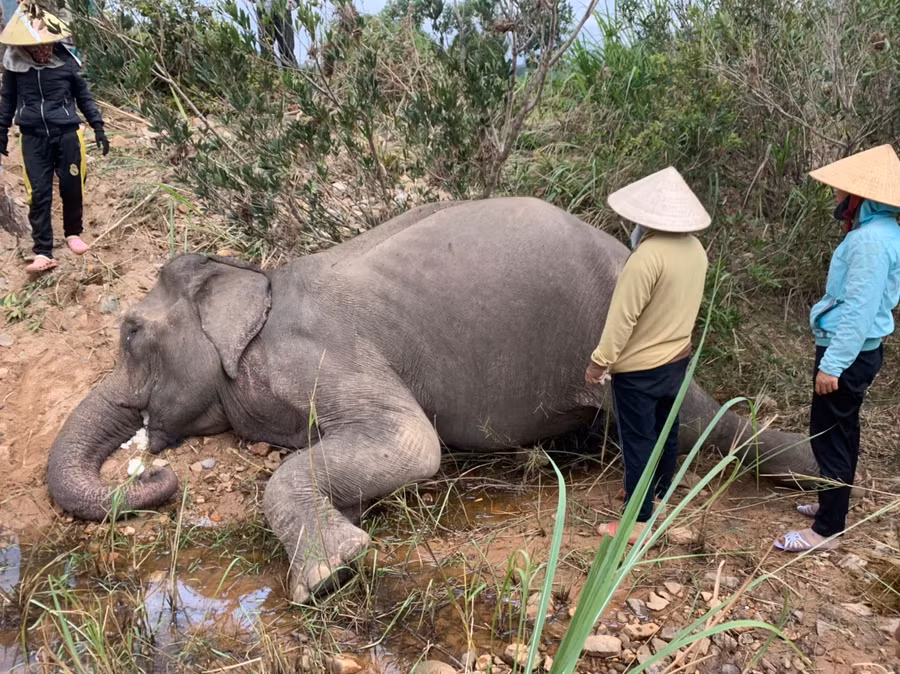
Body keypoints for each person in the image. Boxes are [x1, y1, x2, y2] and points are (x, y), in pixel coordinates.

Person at [775, 144, 900, 553]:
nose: (836, 196)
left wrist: (832, 365)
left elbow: (858, 310)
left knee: (829, 436)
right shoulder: (883, 232)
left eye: (841, 190)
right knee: (841, 433)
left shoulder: (869, 241)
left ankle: (826, 531)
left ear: (860, 197)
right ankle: (831, 506)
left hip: (849, 353)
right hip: (858, 350)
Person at [585, 166, 710, 543]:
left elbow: (621, 319)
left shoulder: (646, 258)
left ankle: (637, 520)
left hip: (639, 370)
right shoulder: (696, 250)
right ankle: (657, 494)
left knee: (638, 439)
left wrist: (599, 362)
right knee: (666, 432)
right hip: (677, 359)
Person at [0, 2, 109, 273]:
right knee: (38, 194)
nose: (43, 51)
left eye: (47, 45)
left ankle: (73, 233)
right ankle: (43, 250)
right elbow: (7, 102)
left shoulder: (66, 65)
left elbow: (84, 97)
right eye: (37, 47)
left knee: (72, 186)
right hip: (32, 138)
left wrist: (98, 126)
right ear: (24, 47)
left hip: (67, 135)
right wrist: (1, 133)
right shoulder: (14, 69)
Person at [256, 0, 296, 69]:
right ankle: (271, 78)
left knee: (287, 52)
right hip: (263, 9)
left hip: (283, 8)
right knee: (266, 52)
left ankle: (292, 78)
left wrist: (294, 2)